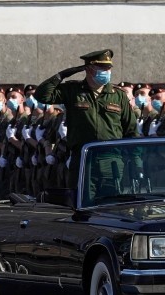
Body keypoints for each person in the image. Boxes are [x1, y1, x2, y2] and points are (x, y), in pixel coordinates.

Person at [35, 49, 138, 190]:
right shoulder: (73, 90)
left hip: (111, 159)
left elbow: (131, 130)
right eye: (102, 67)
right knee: (81, 203)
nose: (107, 71)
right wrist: (63, 74)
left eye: (108, 68)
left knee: (110, 202)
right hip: (83, 158)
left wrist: (136, 163)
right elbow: (42, 95)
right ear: (89, 69)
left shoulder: (118, 95)